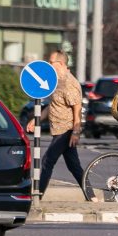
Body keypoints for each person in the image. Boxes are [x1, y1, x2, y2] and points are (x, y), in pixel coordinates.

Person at [27, 51, 88, 199]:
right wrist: (36, 120)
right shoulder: (56, 81)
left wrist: (75, 132)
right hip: (58, 129)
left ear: (60, 64)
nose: (48, 65)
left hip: (66, 130)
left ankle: (38, 195)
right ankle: (90, 195)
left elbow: (77, 108)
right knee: (74, 167)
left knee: (48, 160)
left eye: (50, 62)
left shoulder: (69, 82)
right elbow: (52, 106)